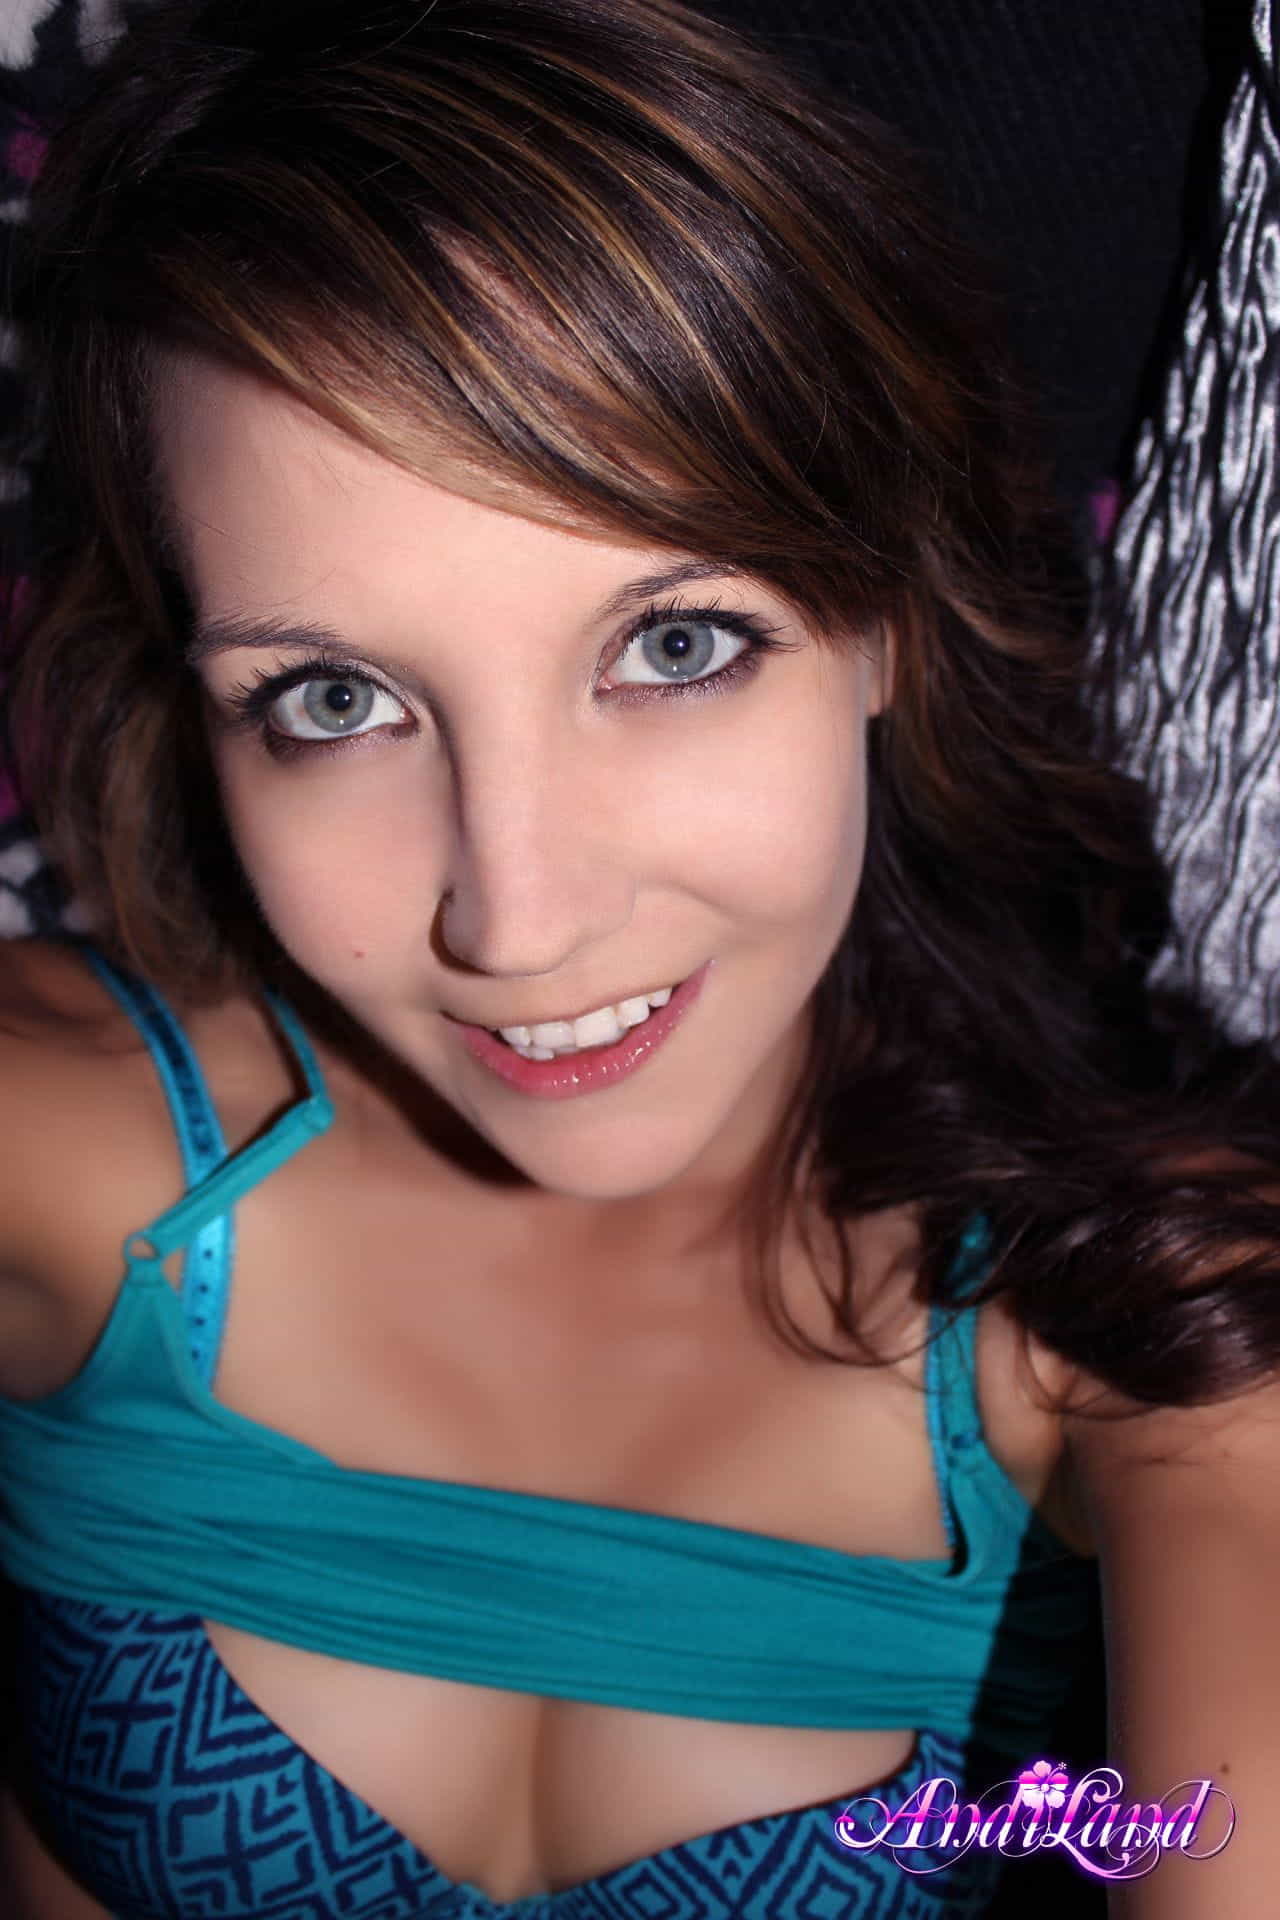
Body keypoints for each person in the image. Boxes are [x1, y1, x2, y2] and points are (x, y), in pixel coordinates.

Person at [0, 2, 1277, 1915]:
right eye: (334, 699)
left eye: (674, 647)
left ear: (885, 615)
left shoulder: (1147, 1322)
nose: (513, 920)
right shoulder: (57, 1150)